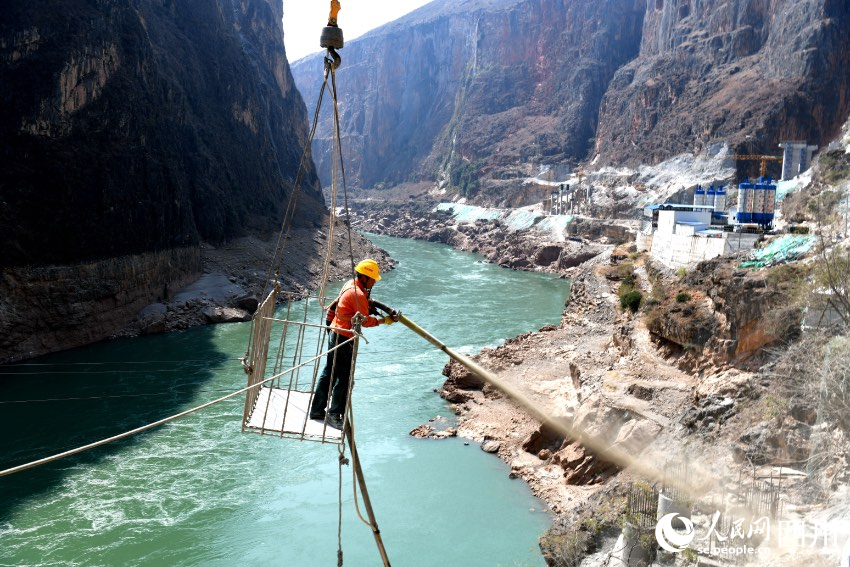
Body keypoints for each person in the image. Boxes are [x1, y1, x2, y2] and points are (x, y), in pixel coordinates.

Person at [309, 259, 397, 430]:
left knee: (329, 372)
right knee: (344, 377)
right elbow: (365, 321)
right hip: (343, 337)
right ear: (364, 277)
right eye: (372, 279)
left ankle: (317, 410)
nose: (374, 282)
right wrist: (384, 320)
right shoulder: (358, 294)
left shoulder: (350, 285)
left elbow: (354, 308)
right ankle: (334, 415)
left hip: (335, 332)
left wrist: (368, 305)